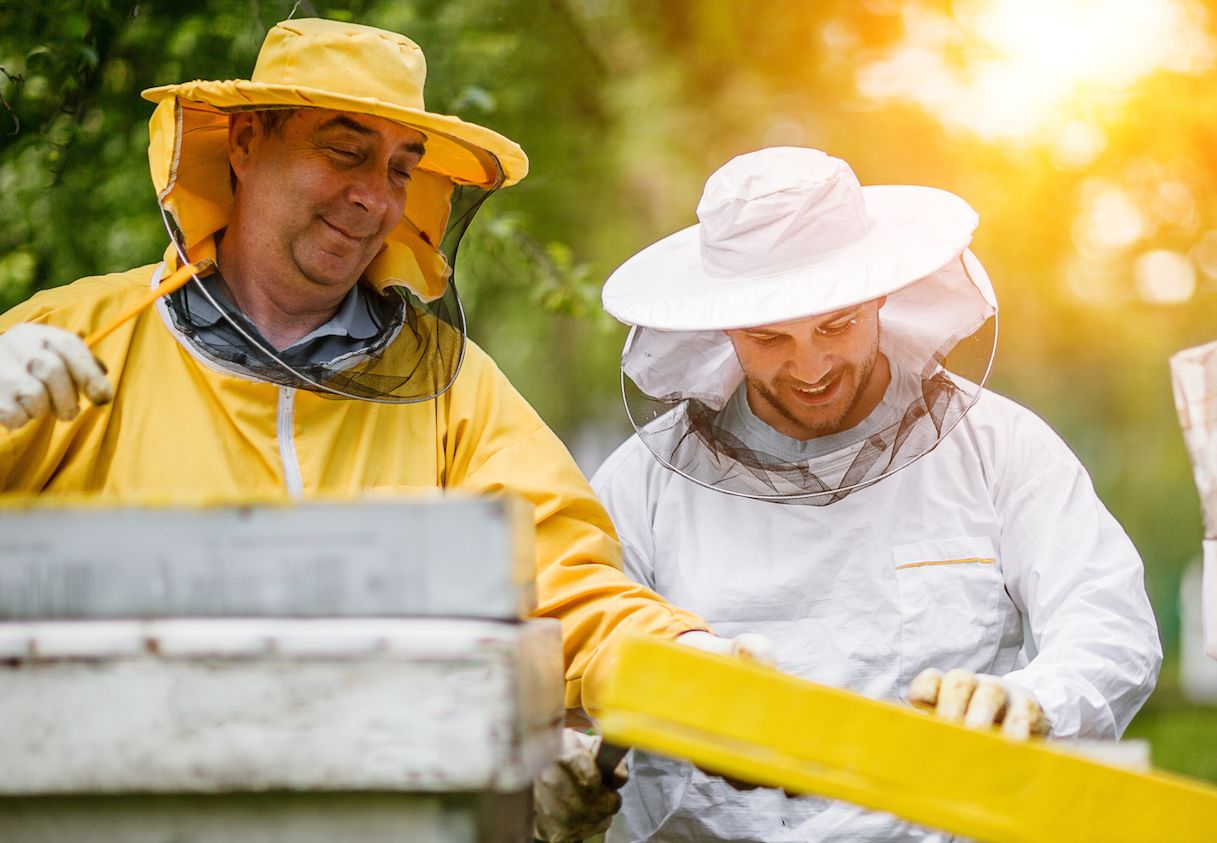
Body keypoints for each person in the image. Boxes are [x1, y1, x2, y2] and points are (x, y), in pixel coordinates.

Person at [0, 18, 751, 842]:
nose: (376, 198)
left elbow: (564, 584)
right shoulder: (76, 339)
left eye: (399, 168)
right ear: (247, 142)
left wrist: (683, 663)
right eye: (346, 152)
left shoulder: (451, 385)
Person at [590, 146, 1164, 841]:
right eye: (769, 337)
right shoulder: (639, 488)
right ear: (721, 327)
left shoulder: (1000, 447)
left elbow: (1109, 625)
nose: (810, 366)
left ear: (880, 295)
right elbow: (587, 653)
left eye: (837, 324)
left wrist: (1030, 701)